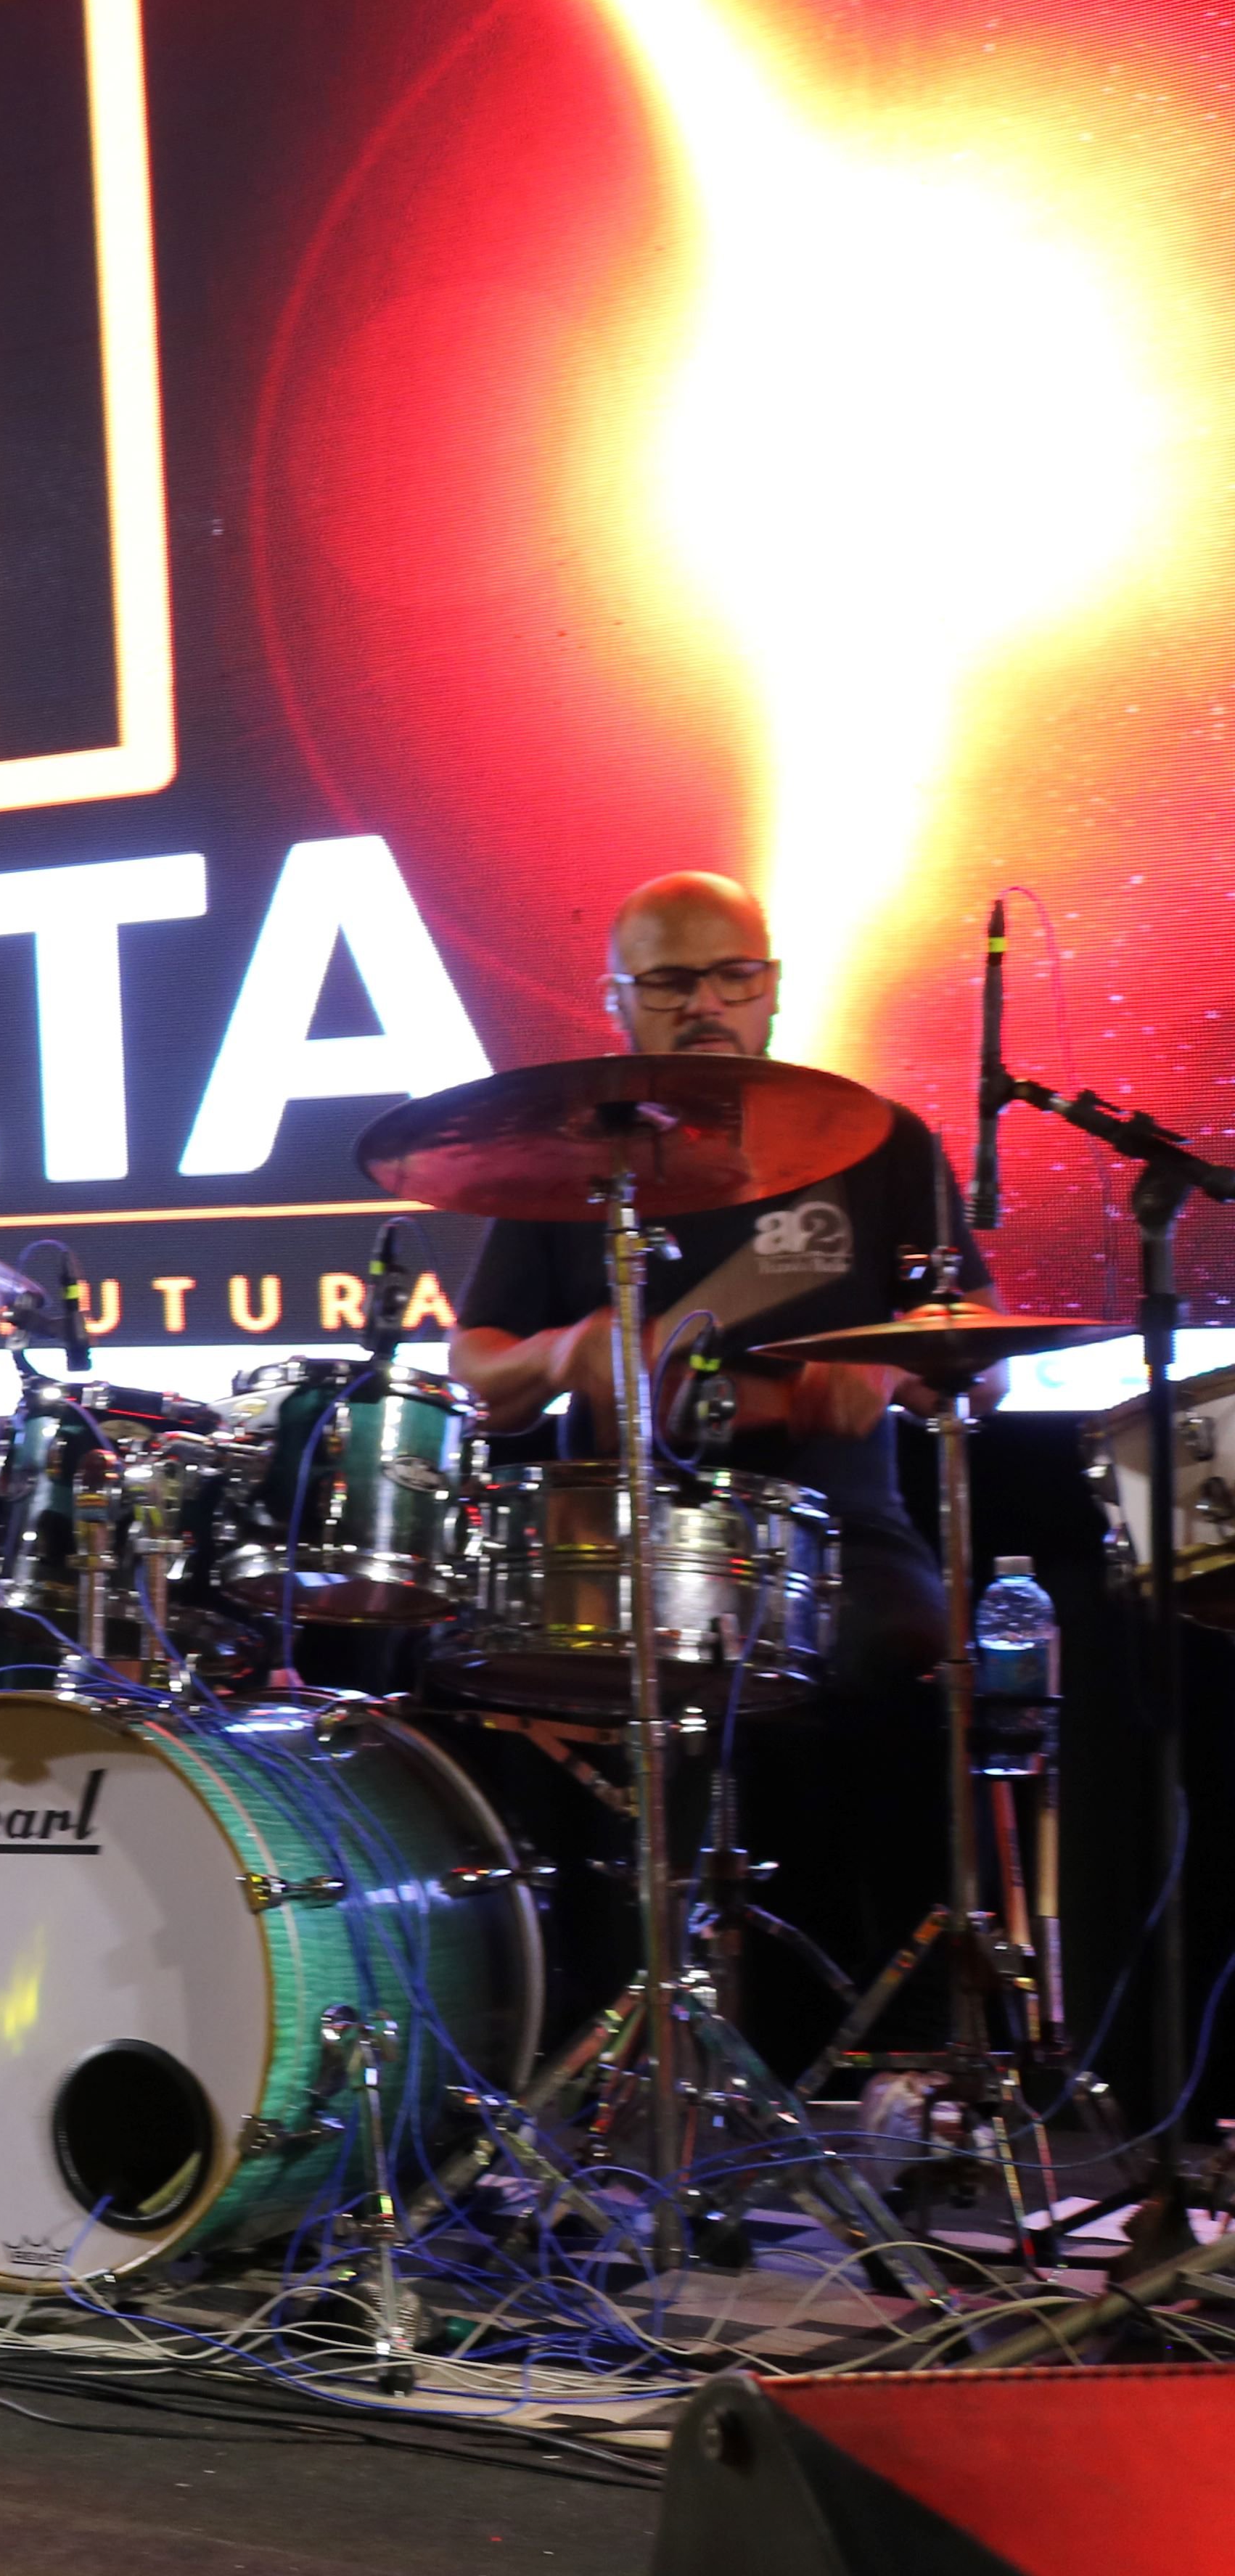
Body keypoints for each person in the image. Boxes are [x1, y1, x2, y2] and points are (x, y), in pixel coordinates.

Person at [446, 871, 969, 2049]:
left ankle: (902, 2044)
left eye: (734, 976)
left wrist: (892, 1367)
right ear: (618, 999)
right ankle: (572, 2029)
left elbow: (971, 1335)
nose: (706, 1004)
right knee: (479, 1676)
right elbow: (473, 1365)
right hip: (616, 1544)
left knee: (914, 1666)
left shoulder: (876, 1143)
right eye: (672, 981)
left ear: (772, 989)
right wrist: (561, 1351)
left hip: (835, 1537)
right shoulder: (571, 1167)